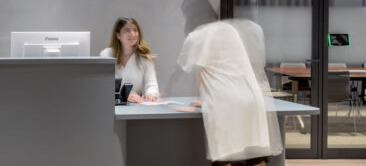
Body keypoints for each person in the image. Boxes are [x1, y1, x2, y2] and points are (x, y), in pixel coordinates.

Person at [177, 21, 282, 166]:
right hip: (251, 98)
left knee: (224, 154)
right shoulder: (230, 33)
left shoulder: (196, 37)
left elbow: (200, 72)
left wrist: (200, 101)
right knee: (255, 152)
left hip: (225, 103)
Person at [100, 17, 159, 103]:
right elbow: (102, 85)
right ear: (118, 35)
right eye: (127, 30)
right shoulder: (106, 55)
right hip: (110, 106)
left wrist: (150, 95)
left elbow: (152, 85)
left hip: (135, 107)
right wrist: (123, 95)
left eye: (135, 30)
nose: (132, 34)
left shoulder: (145, 57)